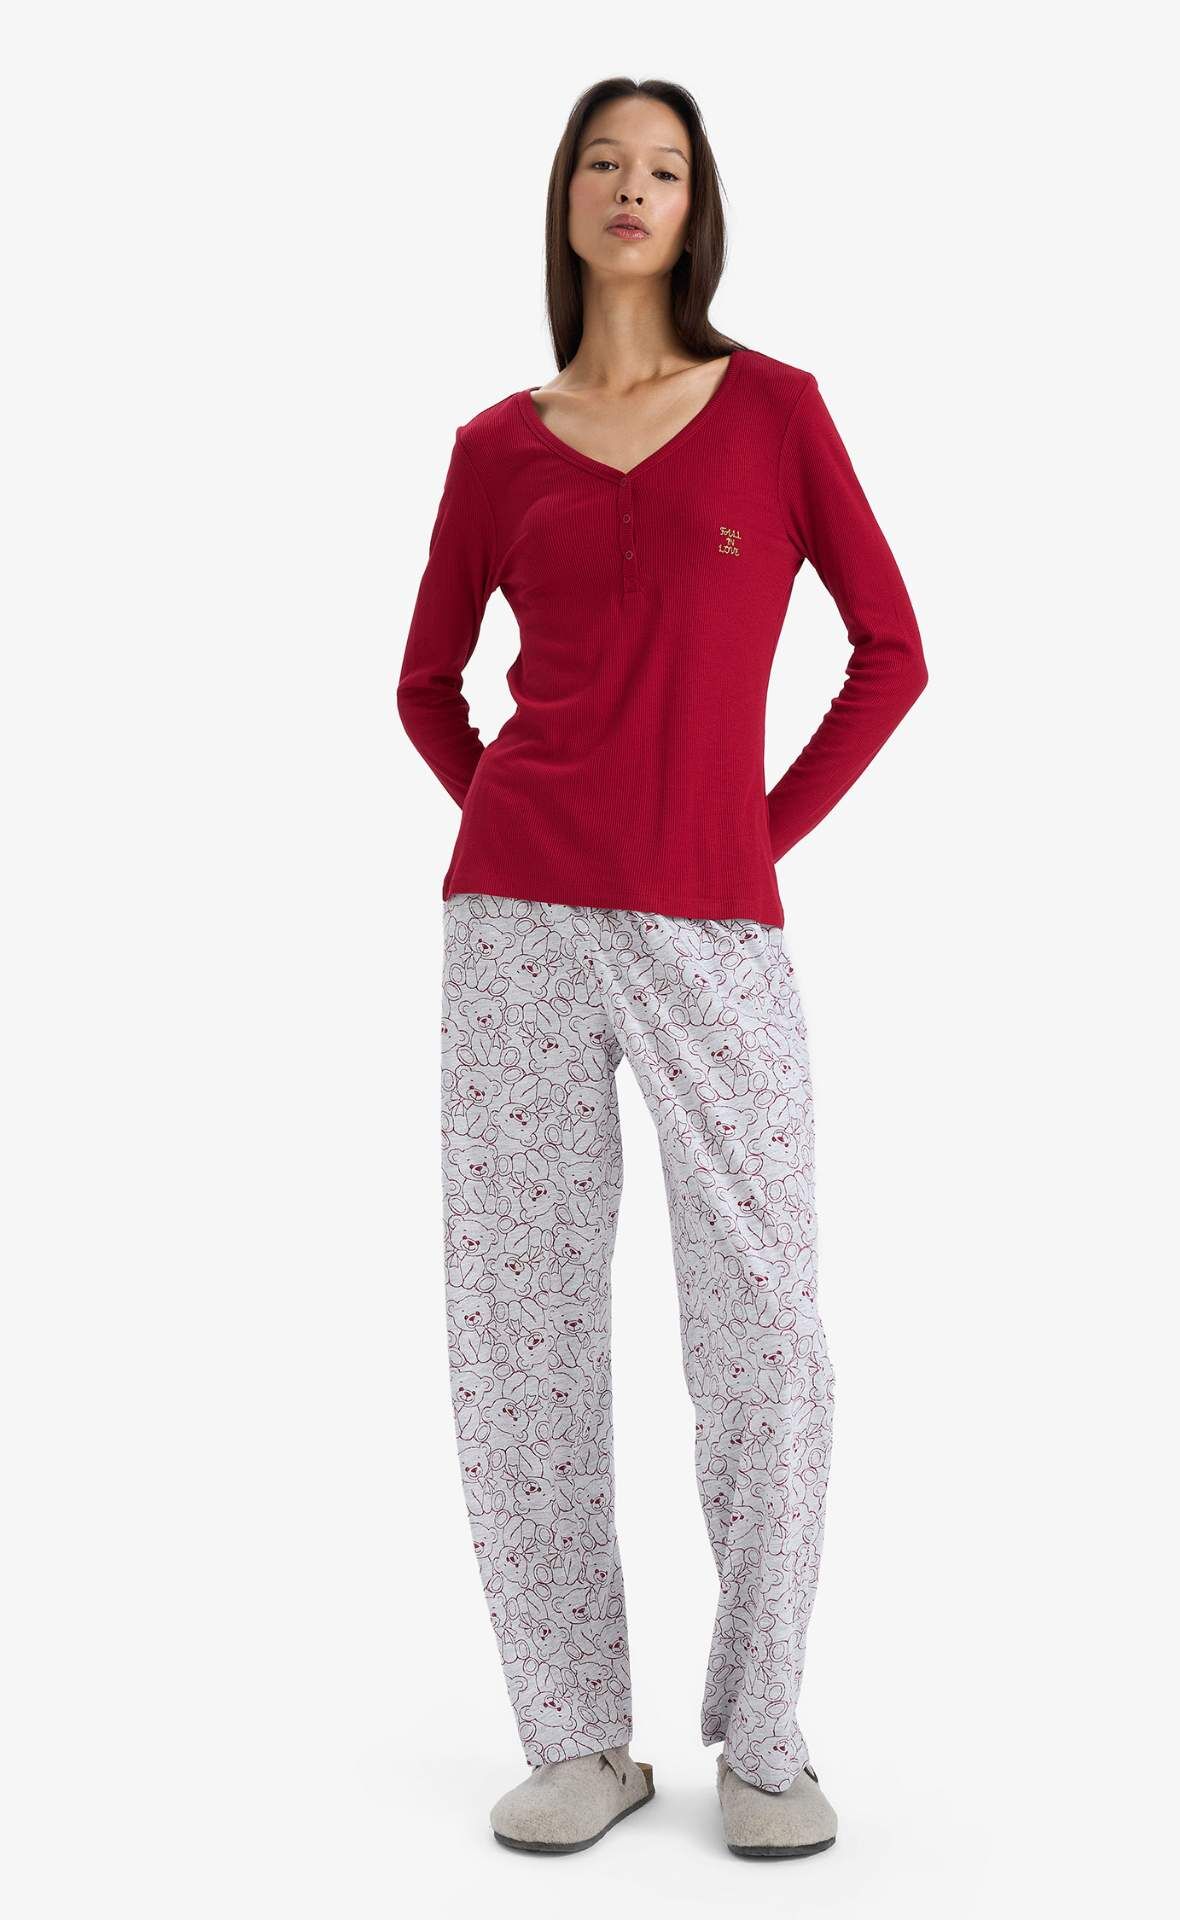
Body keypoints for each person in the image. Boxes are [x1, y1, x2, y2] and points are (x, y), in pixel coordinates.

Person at [395, 75, 927, 1859]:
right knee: (521, 1325)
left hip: (716, 925)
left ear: (698, 210)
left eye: (667, 168)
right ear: (568, 201)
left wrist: (744, 834)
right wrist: (529, 823)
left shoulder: (775, 412)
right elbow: (424, 687)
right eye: (606, 164)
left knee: (766, 1324)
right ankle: (577, 1737)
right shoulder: (496, 447)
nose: (634, 188)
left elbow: (891, 650)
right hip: (514, 928)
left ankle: (764, 1737)